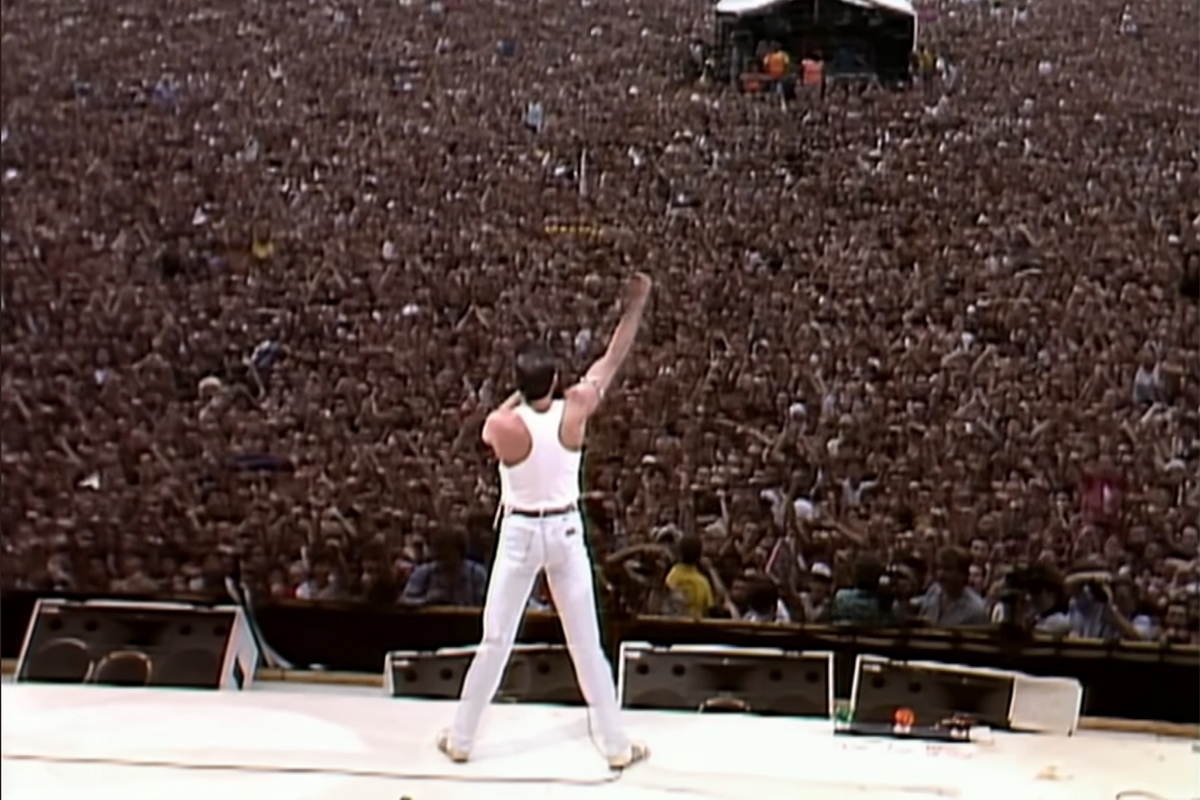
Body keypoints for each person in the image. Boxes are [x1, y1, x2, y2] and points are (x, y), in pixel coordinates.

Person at [437, 272, 654, 770]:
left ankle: (462, 738)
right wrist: (635, 307)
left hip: (519, 533)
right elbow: (612, 359)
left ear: (518, 384)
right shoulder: (574, 410)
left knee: (496, 640)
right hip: (565, 531)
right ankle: (616, 745)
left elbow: (491, 422)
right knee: (586, 644)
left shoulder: (502, 424)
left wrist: (519, 395)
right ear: (556, 381)